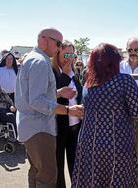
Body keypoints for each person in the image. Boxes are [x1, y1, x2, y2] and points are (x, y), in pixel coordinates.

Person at [71, 43, 138, 187]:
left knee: (91, 182)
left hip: (89, 143)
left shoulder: (88, 84)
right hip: (116, 145)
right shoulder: (124, 81)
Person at [15, 28, 84, 188]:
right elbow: (37, 101)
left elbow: (39, 95)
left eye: (72, 55)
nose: (60, 49)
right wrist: (68, 110)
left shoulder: (37, 60)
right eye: (59, 44)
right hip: (43, 129)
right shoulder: (41, 63)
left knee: (38, 173)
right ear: (44, 40)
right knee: (49, 176)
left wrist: (59, 92)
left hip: (51, 129)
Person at [51, 40, 83, 188]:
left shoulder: (74, 73)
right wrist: (64, 74)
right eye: (65, 54)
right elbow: (51, 96)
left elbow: (80, 94)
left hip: (75, 126)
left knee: (75, 164)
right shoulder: (53, 72)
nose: (69, 58)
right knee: (58, 165)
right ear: (58, 54)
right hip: (58, 126)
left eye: (72, 54)